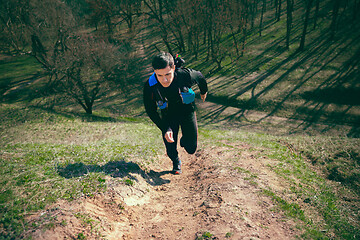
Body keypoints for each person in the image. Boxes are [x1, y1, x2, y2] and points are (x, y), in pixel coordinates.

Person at [143, 52, 208, 174]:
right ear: (154, 71)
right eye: (160, 75)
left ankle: (185, 139)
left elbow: (200, 76)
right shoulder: (150, 86)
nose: (165, 79)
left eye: (168, 74)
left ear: (173, 68)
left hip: (187, 110)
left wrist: (204, 91)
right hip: (168, 114)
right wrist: (165, 128)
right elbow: (150, 111)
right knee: (170, 144)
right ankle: (176, 161)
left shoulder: (185, 75)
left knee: (191, 148)